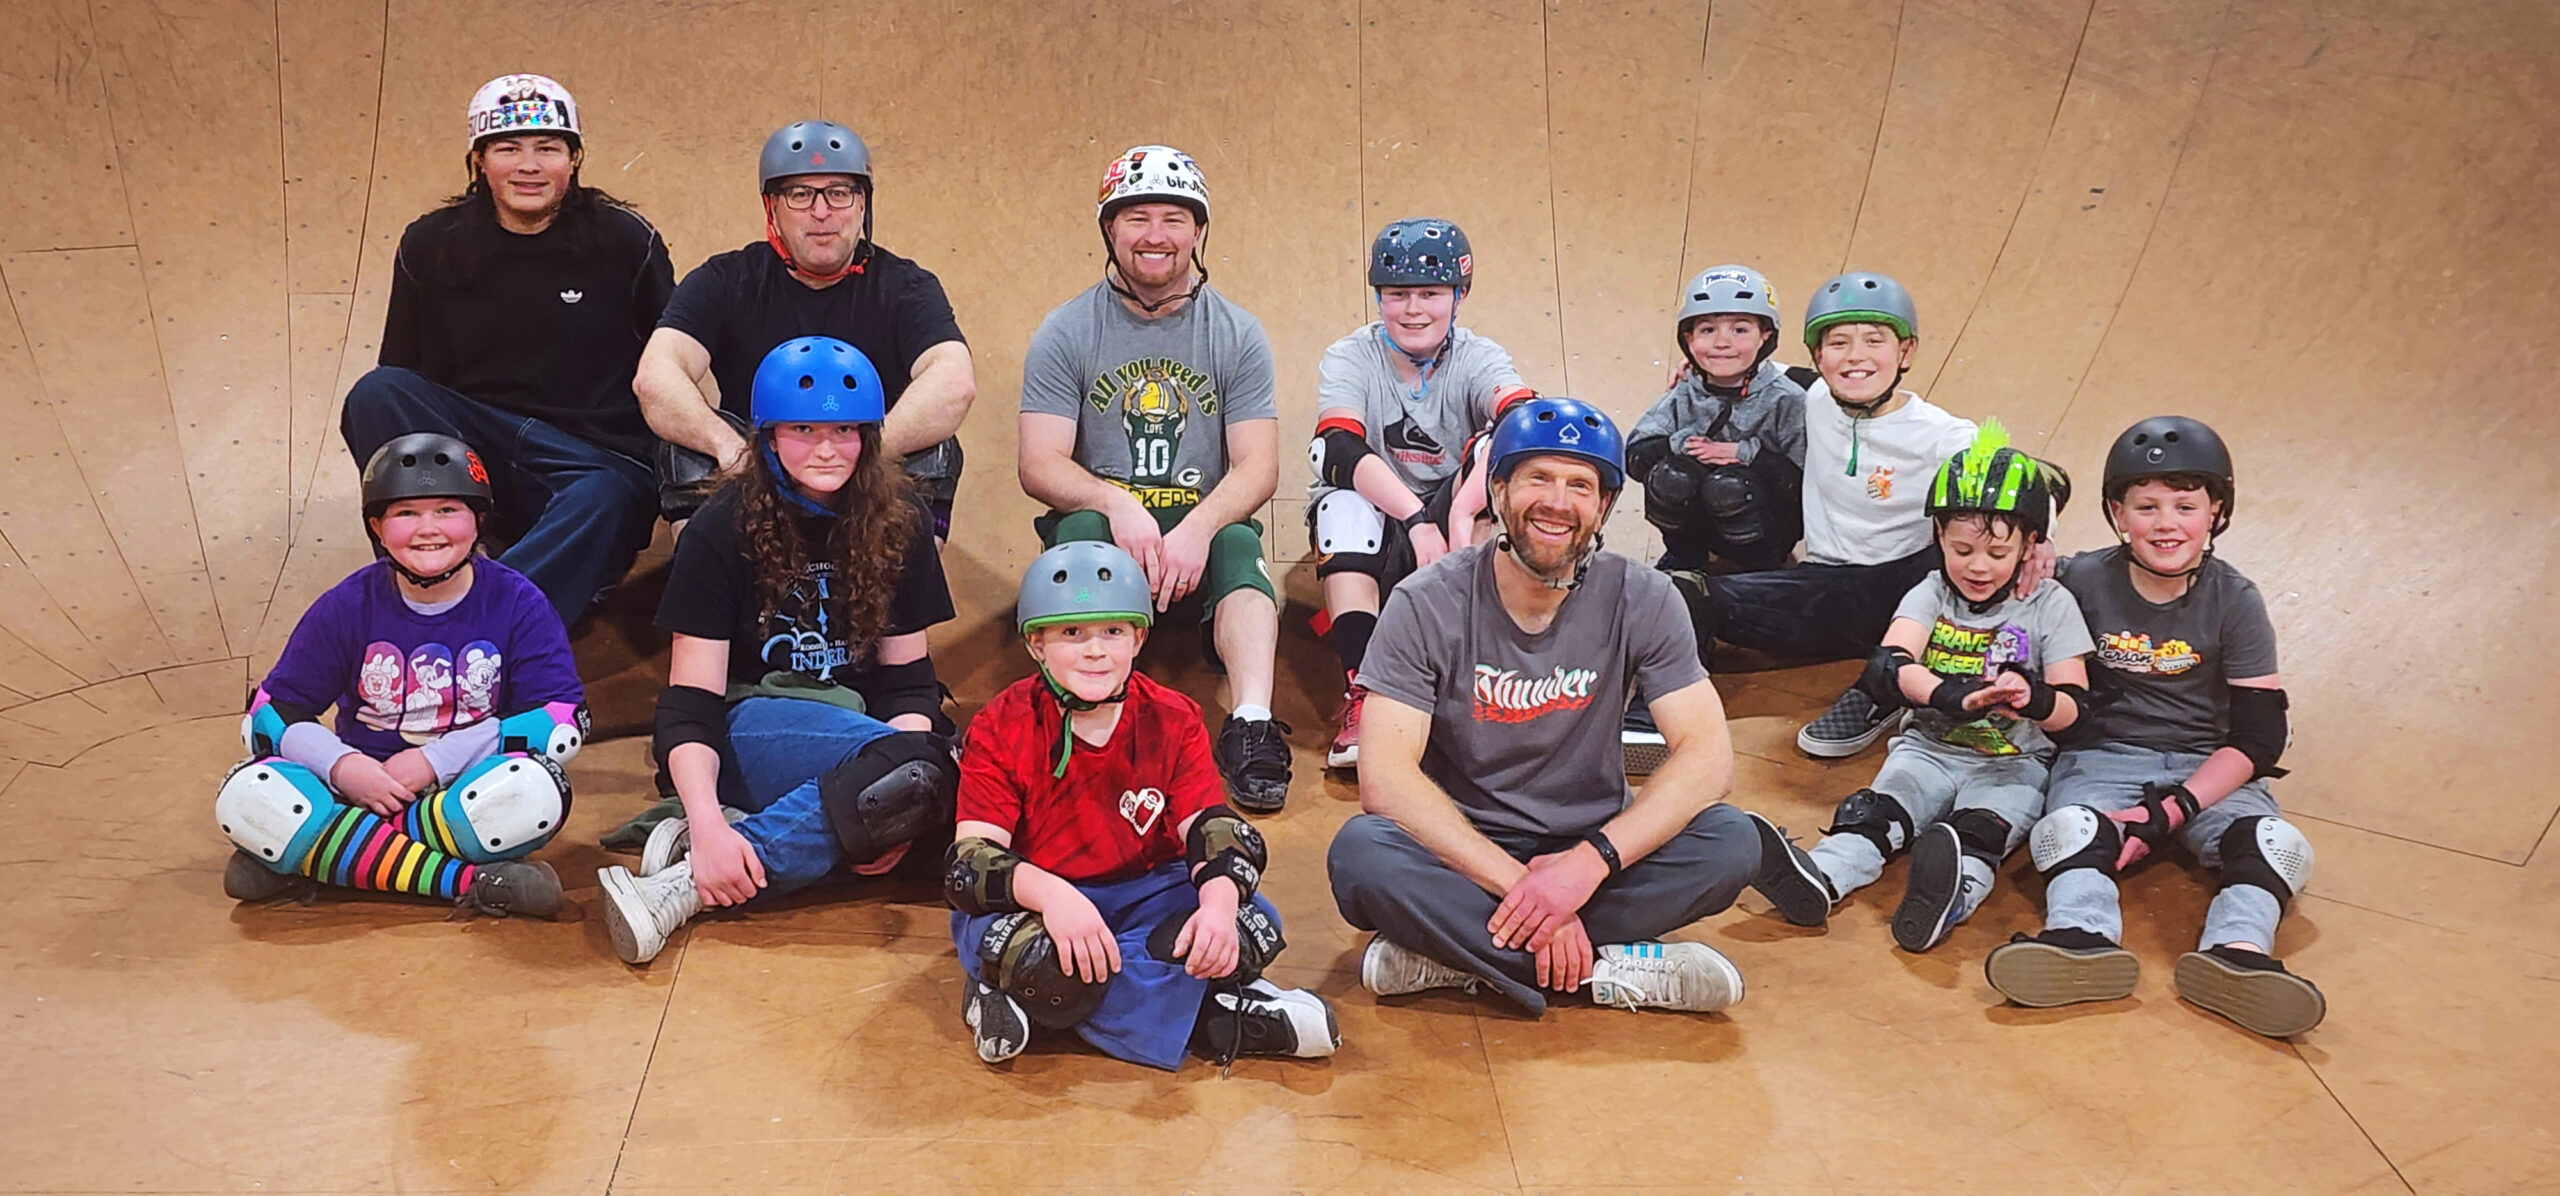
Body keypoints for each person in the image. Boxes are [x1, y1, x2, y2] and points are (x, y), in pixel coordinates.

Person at [1326, 397, 1760, 1016]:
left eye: (1581, 485)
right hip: (1467, 848)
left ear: (1604, 505)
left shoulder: (1646, 597)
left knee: (1730, 841)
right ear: (1498, 491)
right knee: (1362, 854)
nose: (1558, 502)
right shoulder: (1424, 603)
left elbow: (1708, 759)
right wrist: (1533, 895)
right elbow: (1386, 778)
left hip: (1594, 845)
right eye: (1538, 478)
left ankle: (1459, 959)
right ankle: (1607, 972)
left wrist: (1587, 865)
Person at [596, 338, 960, 965]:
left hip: (864, 734)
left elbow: (910, 685)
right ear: (766, 436)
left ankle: (724, 850)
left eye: (844, 429)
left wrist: (905, 783)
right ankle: (688, 880)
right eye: (802, 429)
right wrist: (707, 818)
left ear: (869, 436)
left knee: (960, 818)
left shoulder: (899, 522)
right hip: (748, 726)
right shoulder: (722, 526)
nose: (826, 448)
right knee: (926, 788)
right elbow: (689, 704)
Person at [1986, 417, 2323, 1038]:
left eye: (2185, 506)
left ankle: (2238, 955)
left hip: (2208, 764)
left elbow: (2259, 737)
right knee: (2068, 832)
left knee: (2273, 845)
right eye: (2146, 506)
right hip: (2104, 756)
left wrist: (2168, 813)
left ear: (2216, 513)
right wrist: (2032, 549)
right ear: (2118, 513)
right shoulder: (2083, 577)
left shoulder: (2236, 601)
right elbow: (1989, 561)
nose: (2165, 523)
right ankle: (2079, 942)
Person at [944, 541, 1341, 1068]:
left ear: (1138, 637)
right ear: (1036, 644)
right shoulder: (1000, 724)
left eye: (1112, 631)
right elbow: (971, 864)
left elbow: (1214, 832)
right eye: (1071, 633)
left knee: (1248, 921)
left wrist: (1219, 910)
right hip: (1036, 895)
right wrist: (1055, 898)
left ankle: (1026, 1003)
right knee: (1031, 953)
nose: (1094, 650)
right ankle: (1214, 1020)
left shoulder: (1173, 716)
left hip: (1143, 890)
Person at [338, 73, 672, 626]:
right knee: (377, 393)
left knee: (608, 495)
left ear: (575, 158)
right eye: (508, 149)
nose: (529, 165)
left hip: (588, 460)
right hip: (479, 447)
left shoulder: (625, 241)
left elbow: (671, 363)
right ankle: (427, 568)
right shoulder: (431, 245)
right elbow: (403, 373)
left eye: (548, 149)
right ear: (479, 162)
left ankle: (467, 629)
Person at [1017, 145, 1291, 813]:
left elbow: (1259, 463)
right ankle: (1082, 716)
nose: (1156, 236)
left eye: (1174, 218)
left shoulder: (1236, 332)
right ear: (1109, 229)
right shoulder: (1067, 331)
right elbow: (1039, 462)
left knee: (1238, 545)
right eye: (1137, 217)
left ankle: (1252, 723)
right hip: (1109, 527)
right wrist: (1114, 501)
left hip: (1197, 527)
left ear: (1198, 231)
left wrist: (1199, 524)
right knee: (1080, 532)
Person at [1748, 423, 2092, 951]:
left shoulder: (2051, 604)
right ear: (1938, 539)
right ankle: (1821, 877)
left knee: (1977, 832)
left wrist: (2035, 698)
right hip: (1927, 750)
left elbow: (2075, 706)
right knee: (1877, 815)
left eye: (1998, 555)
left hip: (2013, 763)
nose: (1978, 566)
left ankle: (1948, 895)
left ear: (2031, 545)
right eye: (1961, 550)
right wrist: (1949, 695)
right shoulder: (1932, 589)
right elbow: (1892, 662)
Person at [214, 433, 581, 918]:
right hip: (356, 789)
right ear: (377, 527)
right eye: (406, 514)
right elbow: (269, 713)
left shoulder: (519, 602)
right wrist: (344, 766)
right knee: (247, 789)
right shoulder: (347, 605)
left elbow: (559, 721)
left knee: (537, 787)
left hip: (459, 793)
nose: (428, 528)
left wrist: (436, 760)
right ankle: (471, 880)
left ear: (478, 522)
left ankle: (320, 856)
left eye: (448, 510)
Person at [1666, 271, 2005, 759]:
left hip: (1906, 588)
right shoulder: (1815, 396)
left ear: (1904, 353)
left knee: (1961, 551)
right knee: (1686, 593)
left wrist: (2043, 539)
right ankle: (1673, 722)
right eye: (1838, 343)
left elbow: (2024, 480)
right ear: (1818, 358)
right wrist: (1700, 368)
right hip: (1824, 592)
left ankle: (1883, 689)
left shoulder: (1942, 434)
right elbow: (1751, 360)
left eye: (1874, 341)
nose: (1856, 356)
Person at [636, 120, 976, 539]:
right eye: (800, 195)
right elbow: (655, 377)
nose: (821, 212)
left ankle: (897, 598)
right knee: (682, 447)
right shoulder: (725, 279)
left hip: (866, 483)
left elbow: (954, 381)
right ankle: (718, 596)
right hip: (753, 480)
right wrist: (731, 450)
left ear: (863, 205)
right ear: (772, 208)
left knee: (937, 451)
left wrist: (860, 455)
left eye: (839, 193)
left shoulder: (907, 287)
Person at [1308, 218, 1524, 770]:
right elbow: (1334, 448)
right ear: (1379, 297)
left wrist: (1459, 519)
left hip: (1450, 526)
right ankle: (1363, 693)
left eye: (1430, 293)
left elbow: (1522, 419)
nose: (1413, 309)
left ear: (1459, 296)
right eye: (1397, 294)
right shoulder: (1351, 355)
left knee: (1500, 455)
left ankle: (1472, 689)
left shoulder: (1478, 355)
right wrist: (1414, 518)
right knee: (1340, 503)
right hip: (1384, 524)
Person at [1627, 264, 1807, 572]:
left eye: (1740, 330)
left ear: (1765, 336)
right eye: (1708, 331)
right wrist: (1681, 445)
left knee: (1729, 487)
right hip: (1699, 524)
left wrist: (1746, 454)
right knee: (1673, 478)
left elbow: (1806, 484)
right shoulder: (1686, 387)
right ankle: (1687, 556)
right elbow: (1636, 456)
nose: (1722, 343)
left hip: (1766, 527)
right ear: (1689, 340)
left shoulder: (1787, 398)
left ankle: (1756, 567)